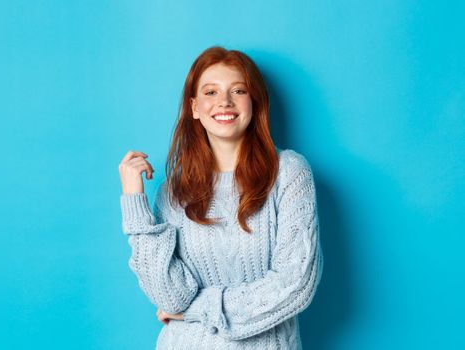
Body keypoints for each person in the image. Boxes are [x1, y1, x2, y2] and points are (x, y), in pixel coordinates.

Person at [117, 46, 323, 349]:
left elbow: (295, 286)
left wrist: (194, 309)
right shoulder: (174, 192)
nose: (224, 102)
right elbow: (168, 296)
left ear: (253, 102)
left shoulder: (289, 173)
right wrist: (134, 201)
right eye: (210, 92)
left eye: (238, 90)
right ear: (195, 108)